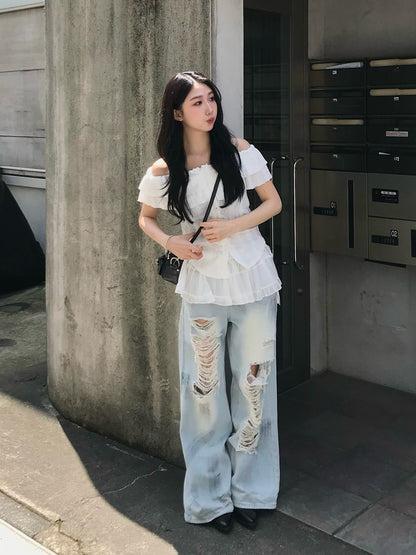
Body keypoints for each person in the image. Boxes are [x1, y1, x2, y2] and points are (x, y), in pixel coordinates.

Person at [138, 71, 282, 533]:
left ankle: (252, 490)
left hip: (253, 279)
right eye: (197, 102)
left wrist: (234, 226)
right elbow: (145, 218)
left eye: (211, 99)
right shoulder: (166, 169)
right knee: (202, 391)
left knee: (254, 384)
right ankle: (209, 498)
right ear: (177, 112)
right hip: (202, 285)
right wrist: (171, 242)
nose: (209, 108)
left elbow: (273, 203)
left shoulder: (239, 151)